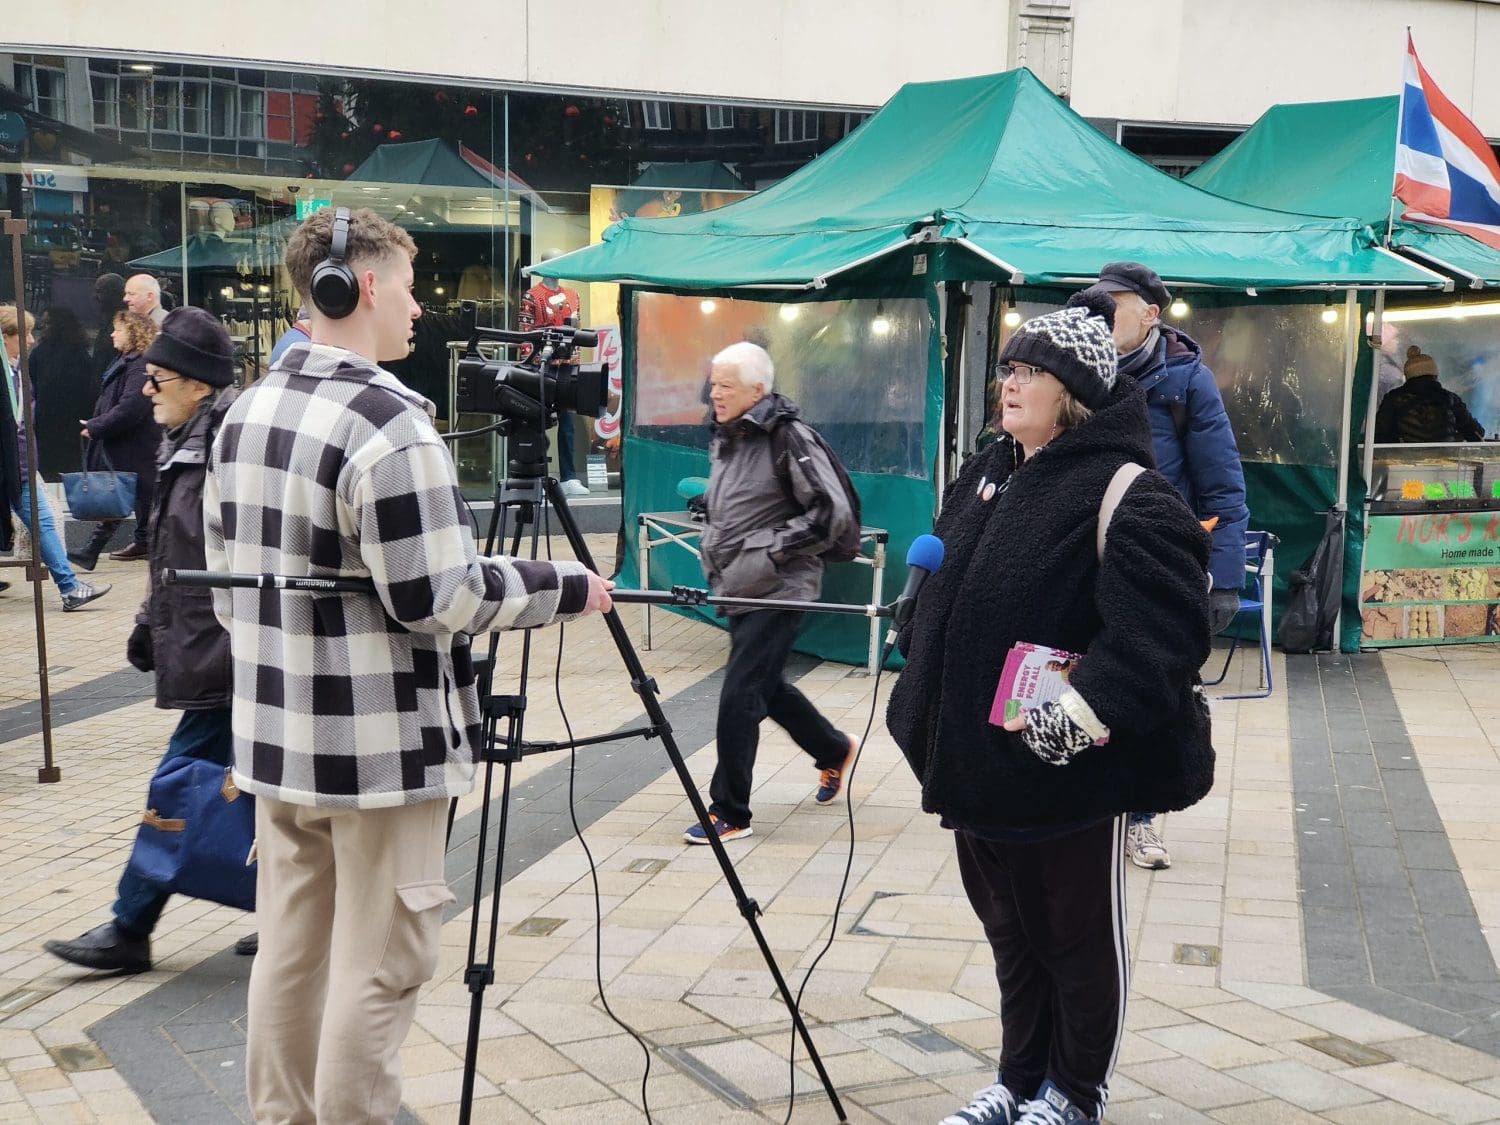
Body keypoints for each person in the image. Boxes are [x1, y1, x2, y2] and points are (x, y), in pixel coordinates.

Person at [205, 206, 613, 1124]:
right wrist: (563, 583)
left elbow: (230, 592)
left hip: (277, 745)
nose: (423, 308)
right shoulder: (388, 424)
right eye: (415, 283)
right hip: (383, 754)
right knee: (381, 962)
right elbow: (441, 597)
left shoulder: (244, 410)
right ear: (363, 286)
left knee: (292, 950)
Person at [887, 292, 1213, 1125]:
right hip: (974, 768)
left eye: (1030, 371)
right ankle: (1017, 1078)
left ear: (1072, 391)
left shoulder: (1126, 491)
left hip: (1066, 773)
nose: (1010, 383)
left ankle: (1074, 1093)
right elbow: (949, 578)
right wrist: (917, 635)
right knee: (1012, 939)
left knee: (1074, 943)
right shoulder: (990, 471)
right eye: (1007, 367)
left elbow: (1163, 636)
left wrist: (1074, 718)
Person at [44, 307, 253, 974]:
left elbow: (238, 555)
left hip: (231, 654)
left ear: (197, 383)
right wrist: (145, 622)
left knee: (177, 785)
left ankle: (131, 925)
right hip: (208, 648)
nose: (146, 388)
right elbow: (172, 548)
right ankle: (292, 910)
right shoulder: (184, 439)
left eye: (159, 377)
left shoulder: (230, 449)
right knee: (264, 790)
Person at [1081, 261, 1246, 871]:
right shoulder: (1080, 375)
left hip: (1155, 561)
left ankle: (1142, 817)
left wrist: (1224, 577)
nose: (1101, 312)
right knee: (1082, 678)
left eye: (1114, 303)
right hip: (1083, 555)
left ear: (1151, 313)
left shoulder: (1187, 383)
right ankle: (1087, 806)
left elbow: (1223, 487)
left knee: (1151, 687)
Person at [686, 340, 859, 844]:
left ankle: (730, 811)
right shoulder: (729, 436)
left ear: (757, 390)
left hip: (779, 587)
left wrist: (771, 549)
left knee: (740, 694)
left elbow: (831, 515)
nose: (713, 393)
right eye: (713, 382)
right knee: (765, 685)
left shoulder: (789, 436)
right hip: (742, 582)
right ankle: (832, 748)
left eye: (726, 385)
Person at [2, 305, 110, 611]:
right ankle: (69, 587)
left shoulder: (15, 371)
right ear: (5, 338)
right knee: (44, 522)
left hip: (20, 464)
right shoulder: (9, 376)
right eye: (24, 334)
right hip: (16, 467)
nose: (32, 340)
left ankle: (70, 586)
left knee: (44, 521)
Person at [70, 311, 162, 568]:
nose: (112, 334)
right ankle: (130, 545)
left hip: (136, 444)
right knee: (138, 494)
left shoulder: (139, 364)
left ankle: (96, 549)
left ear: (133, 333)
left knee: (133, 493)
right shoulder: (129, 361)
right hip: (131, 444)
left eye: (118, 329)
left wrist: (96, 426)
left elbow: (131, 406)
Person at [518, 249, 590, 497]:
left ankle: (569, 476)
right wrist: (532, 364)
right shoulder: (532, 296)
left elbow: (577, 331)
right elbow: (525, 333)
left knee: (567, 424)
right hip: (542, 365)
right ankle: (538, 474)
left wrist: (576, 361)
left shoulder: (573, 294)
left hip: (567, 366)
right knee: (537, 421)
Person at [28, 308, 95, 481]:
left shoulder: (43, 353)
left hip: (55, 422)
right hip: (62, 424)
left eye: (48, 323)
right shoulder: (80, 354)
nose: (44, 327)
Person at [1374, 346, 1486, 444]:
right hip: (1445, 464)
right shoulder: (1450, 399)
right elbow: (1476, 434)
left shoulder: (1394, 399)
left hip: (1404, 464)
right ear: (1435, 375)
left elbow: (1378, 437)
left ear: (1407, 376)